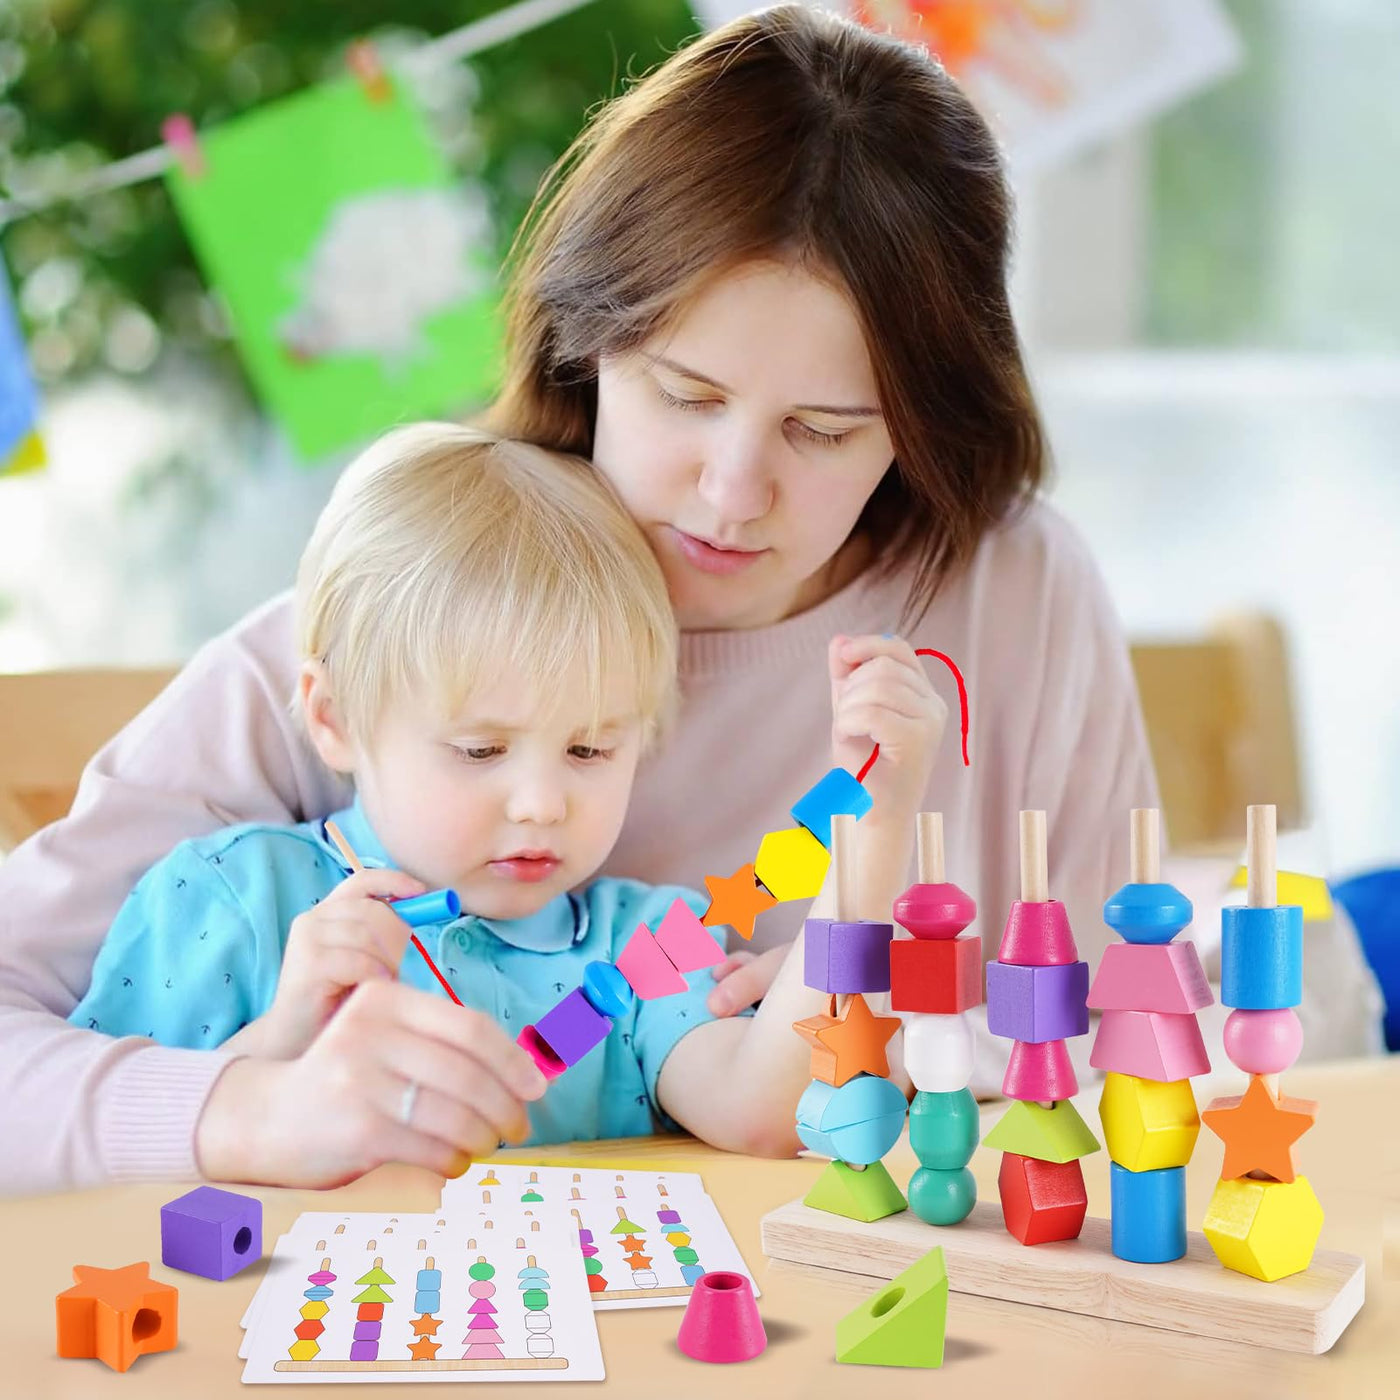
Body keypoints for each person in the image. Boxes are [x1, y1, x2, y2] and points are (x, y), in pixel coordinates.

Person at [0, 5, 1169, 1194]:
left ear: (919, 425)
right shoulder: (400, 617)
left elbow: (1120, 1022)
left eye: (821, 430)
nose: (730, 492)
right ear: (584, 344)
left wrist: (917, 1038)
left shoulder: (1012, 594)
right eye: (682, 393)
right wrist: (240, 1110)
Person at [61, 421, 945, 1184]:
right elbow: (101, 1167)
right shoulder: (236, 903)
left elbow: (764, 1110)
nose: (540, 803)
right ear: (333, 719)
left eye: (591, 749)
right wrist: (284, 1034)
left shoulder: (642, 947)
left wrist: (876, 821)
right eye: (481, 750)